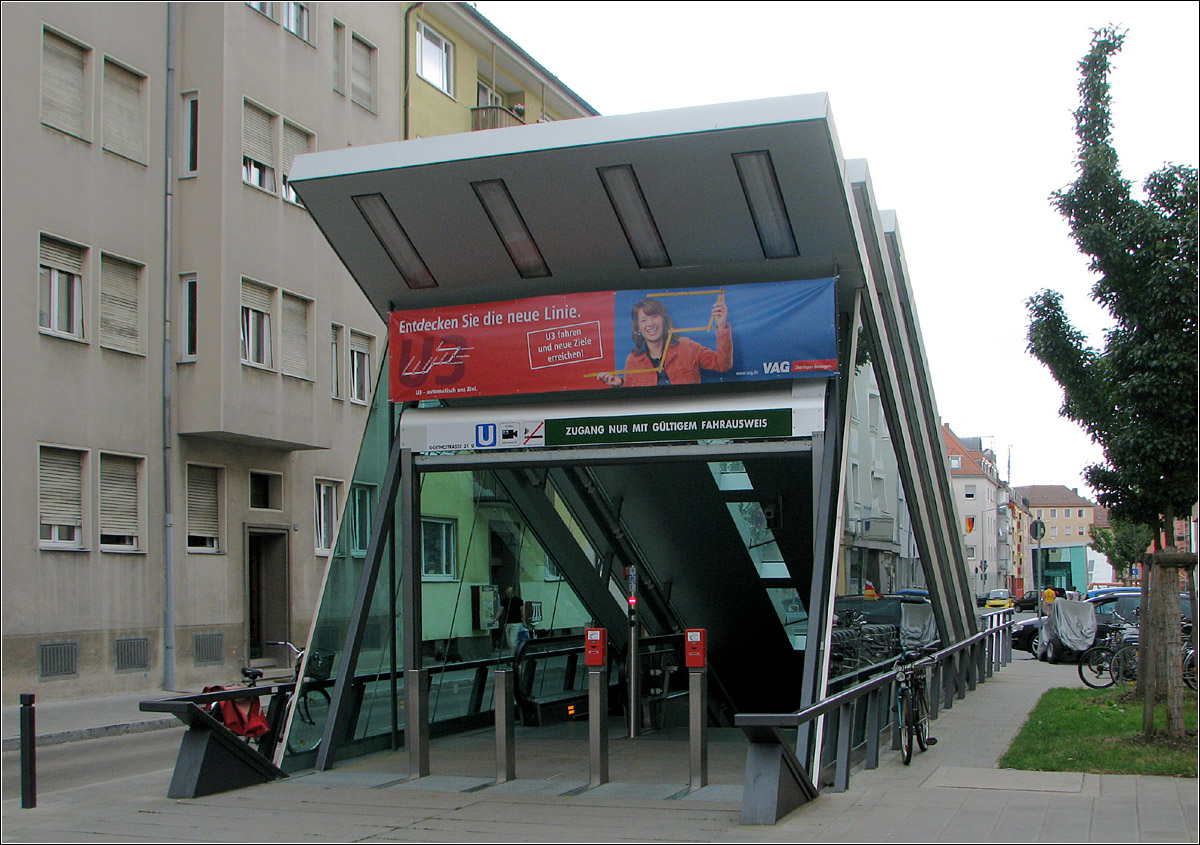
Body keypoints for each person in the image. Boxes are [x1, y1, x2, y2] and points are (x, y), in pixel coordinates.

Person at [597, 294, 732, 388]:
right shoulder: (632, 361)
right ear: (638, 328)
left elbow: (723, 364)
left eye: (654, 317)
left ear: (664, 321)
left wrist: (721, 326)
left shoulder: (687, 346)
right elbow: (633, 399)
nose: (650, 324)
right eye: (644, 320)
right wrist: (620, 384)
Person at [500, 586, 528, 653]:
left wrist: (523, 620)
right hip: (507, 622)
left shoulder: (518, 600)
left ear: (512, 592)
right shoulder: (505, 600)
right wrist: (495, 618)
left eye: (508, 592)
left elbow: (522, 611)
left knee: (513, 639)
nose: (507, 593)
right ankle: (513, 653)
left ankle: (512, 655)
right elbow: (500, 610)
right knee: (509, 640)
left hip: (516, 623)